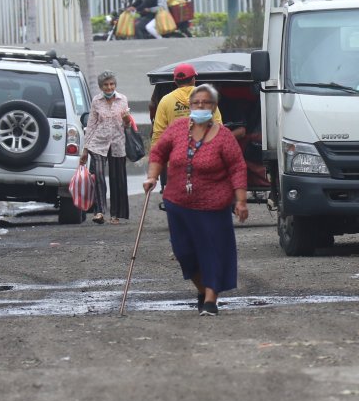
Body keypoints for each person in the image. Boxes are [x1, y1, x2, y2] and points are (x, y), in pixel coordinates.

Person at [143, 84, 249, 316]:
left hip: (213, 206)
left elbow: (237, 167)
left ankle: (211, 299)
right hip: (178, 203)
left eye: (206, 103)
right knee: (184, 253)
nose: (200, 106)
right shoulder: (178, 128)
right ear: (190, 106)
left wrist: (240, 200)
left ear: (214, 106)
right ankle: (202, 289)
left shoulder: (223, 136)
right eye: (196, 103)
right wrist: (152, 176)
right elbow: (159, 151)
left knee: (211, 251)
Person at [80, 71, 133, 225]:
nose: (109, 87)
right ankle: (99, 211)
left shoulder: (123, 100)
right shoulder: (96, 101)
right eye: (106, 85)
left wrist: (127, 120)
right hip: (98, 143)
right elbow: (91, 125)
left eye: (111, 84)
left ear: (115, 85)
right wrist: (85, 149)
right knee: (99, 175)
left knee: (118, 179)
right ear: (101, 87)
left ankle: (116, 214)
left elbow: (127, 125)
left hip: (117, 143)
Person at [150, 63, 222, 146]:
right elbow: (218, 126)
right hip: (203, 152)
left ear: (175, 81)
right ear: (193, 79)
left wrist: (155, 155)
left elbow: (158, 133)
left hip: (176, 152)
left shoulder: (166, 101)